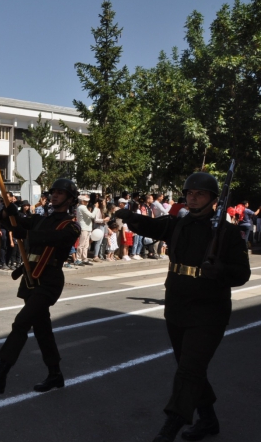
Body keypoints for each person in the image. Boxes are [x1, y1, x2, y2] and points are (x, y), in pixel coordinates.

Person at [114, 172, 250, 442]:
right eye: (189, 193)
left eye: (200, 194)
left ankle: (171, 426)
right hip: (177, 307)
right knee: (191, 369)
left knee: (189, 370)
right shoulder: (178, 224)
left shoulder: (228, 232)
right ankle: (208, 420)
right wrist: (129, 216)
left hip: (209, 311)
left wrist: (221, 270)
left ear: (213, 199)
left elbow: (242, 273)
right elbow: (151, 226)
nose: (193, 198)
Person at [0, 178, 81, 395]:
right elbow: (16, 224)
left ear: (70, 200)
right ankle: (55, 374)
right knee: (42, 329)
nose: (54, 195)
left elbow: (54, 238)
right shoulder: (41, 219)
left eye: (60, 193)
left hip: (49, 281)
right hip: (31, 279)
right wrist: (8, 211)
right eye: (53, 192)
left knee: (21, 323)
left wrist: (27, 233)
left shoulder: (70, 226)